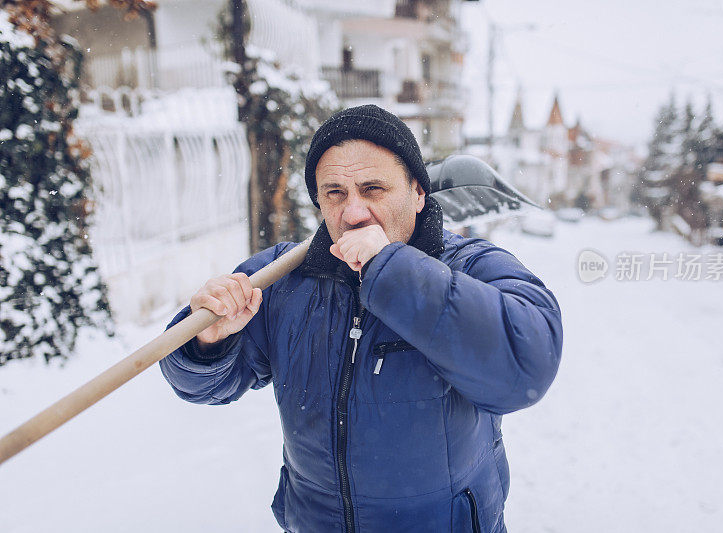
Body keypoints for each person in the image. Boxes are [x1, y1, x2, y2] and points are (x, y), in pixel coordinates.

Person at [160, 104, 563, 533]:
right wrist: (208, 342)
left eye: (373, 189)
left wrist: (391, 270)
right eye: (334, 192)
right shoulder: (282, 278)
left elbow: (528, 363)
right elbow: (199, 386)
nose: (353, 212)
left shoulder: (471, 267)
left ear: (418, 194)